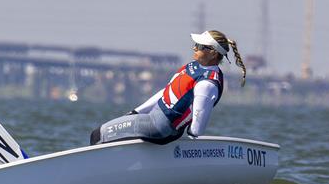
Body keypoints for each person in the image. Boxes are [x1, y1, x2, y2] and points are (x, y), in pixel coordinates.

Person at [90, 30, 247, 145]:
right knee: (107, 133)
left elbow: (198, 124)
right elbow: (166, 92)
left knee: (97, 135)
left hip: (161, 128)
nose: (194, 48)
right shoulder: (192, 66)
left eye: (199, 46)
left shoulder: (207, 83)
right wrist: (137, 111)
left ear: (213, 53)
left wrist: (188, 144)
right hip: (151, 118)